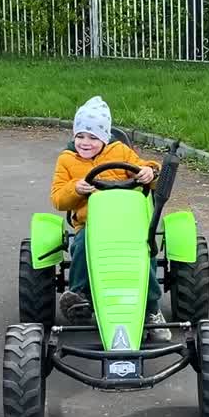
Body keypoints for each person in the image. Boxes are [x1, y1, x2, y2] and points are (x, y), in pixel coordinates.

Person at [50, 96, 172, 340]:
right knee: (82, 244)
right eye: (81, 136)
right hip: (92, 225)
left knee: (144, 251)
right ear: (74, 135)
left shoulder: (120, 151)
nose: (86, 143)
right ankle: (80, 298)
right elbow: (58, 198)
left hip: (128, 222)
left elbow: (144, 167)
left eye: (93, 137)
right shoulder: (66, 160)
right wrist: (76, 189)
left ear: (105, 137)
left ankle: (150, 310)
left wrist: (150, 171)